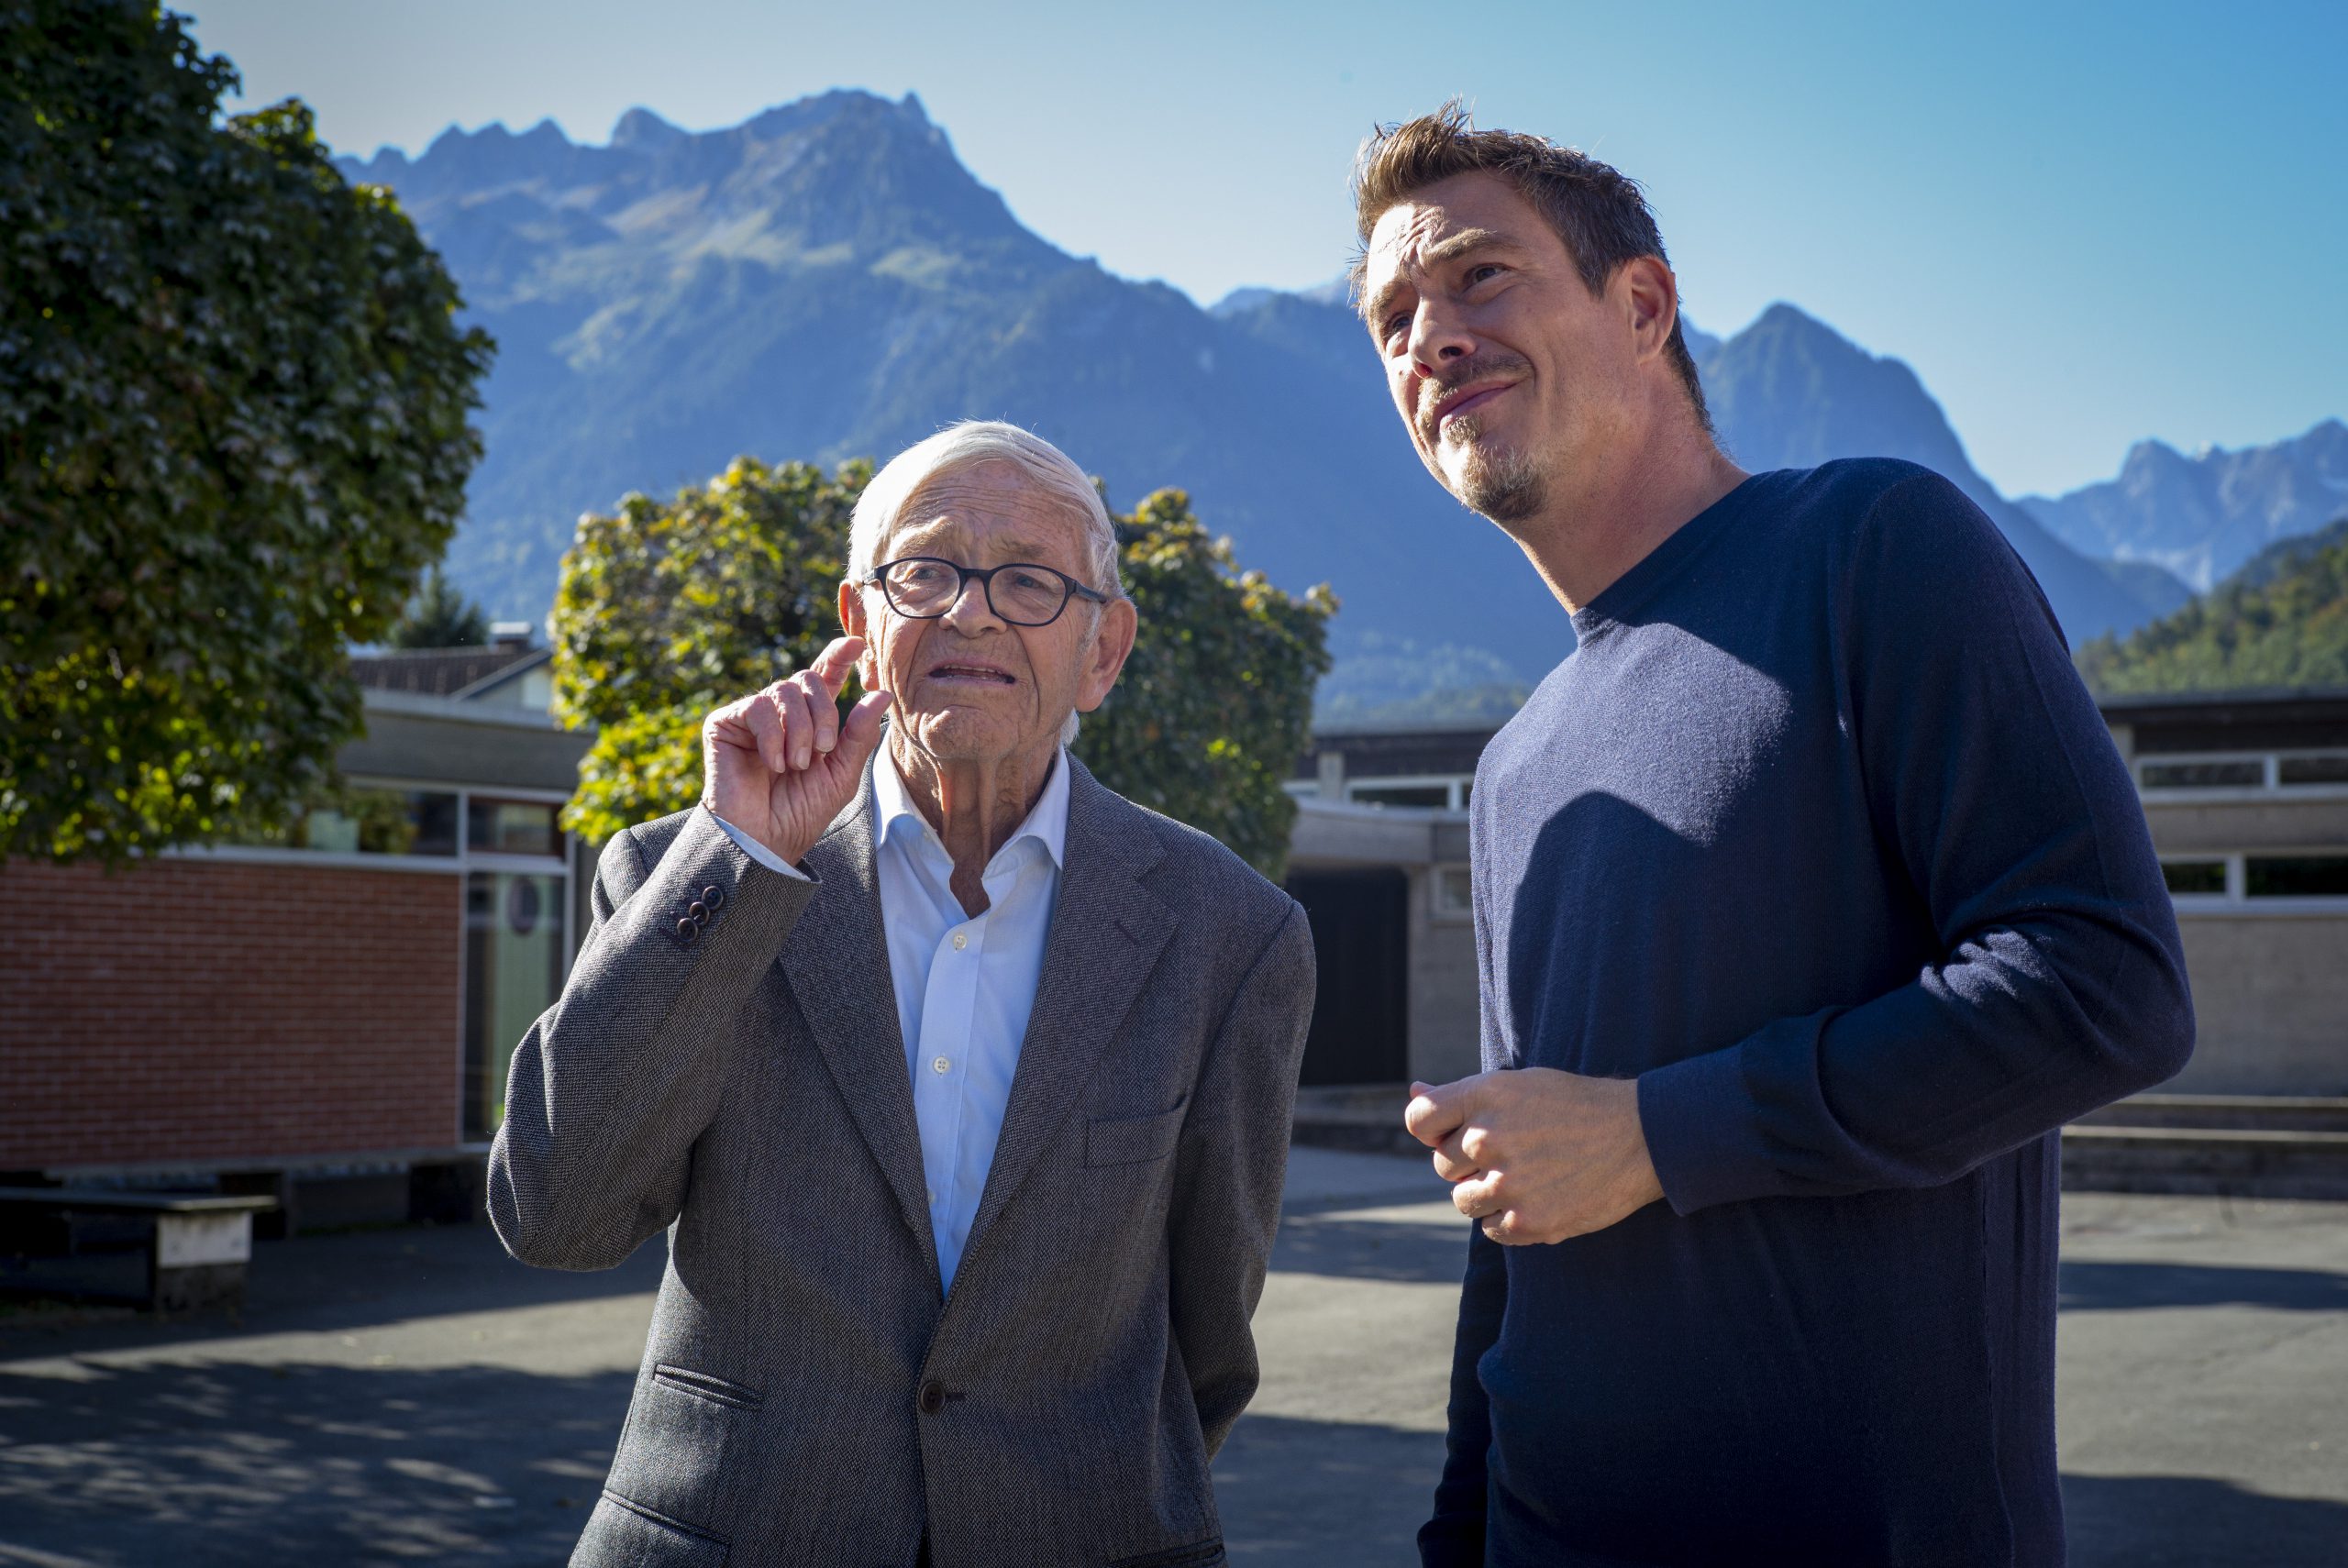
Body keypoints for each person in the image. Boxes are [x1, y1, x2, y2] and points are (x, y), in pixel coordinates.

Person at [1352, 105, 2195, 1566]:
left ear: (1643, 305)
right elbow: (1523, 1202)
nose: (1429, 334)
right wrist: (1459, 1530)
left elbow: (2105, 983)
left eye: (1481, 275)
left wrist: (1656, 1133)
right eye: (1392, 318)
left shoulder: (1875, 546)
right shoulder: (1513, 764)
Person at [489, 421, 1314, 1568]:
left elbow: (1206, 1341)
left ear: (1105, 648)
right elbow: (556, 1213)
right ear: (859, 626)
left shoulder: (1231, 933)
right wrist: (741, 857)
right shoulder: (693, 873)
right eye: (924, 572)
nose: (970, 612)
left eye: (1029, 581)